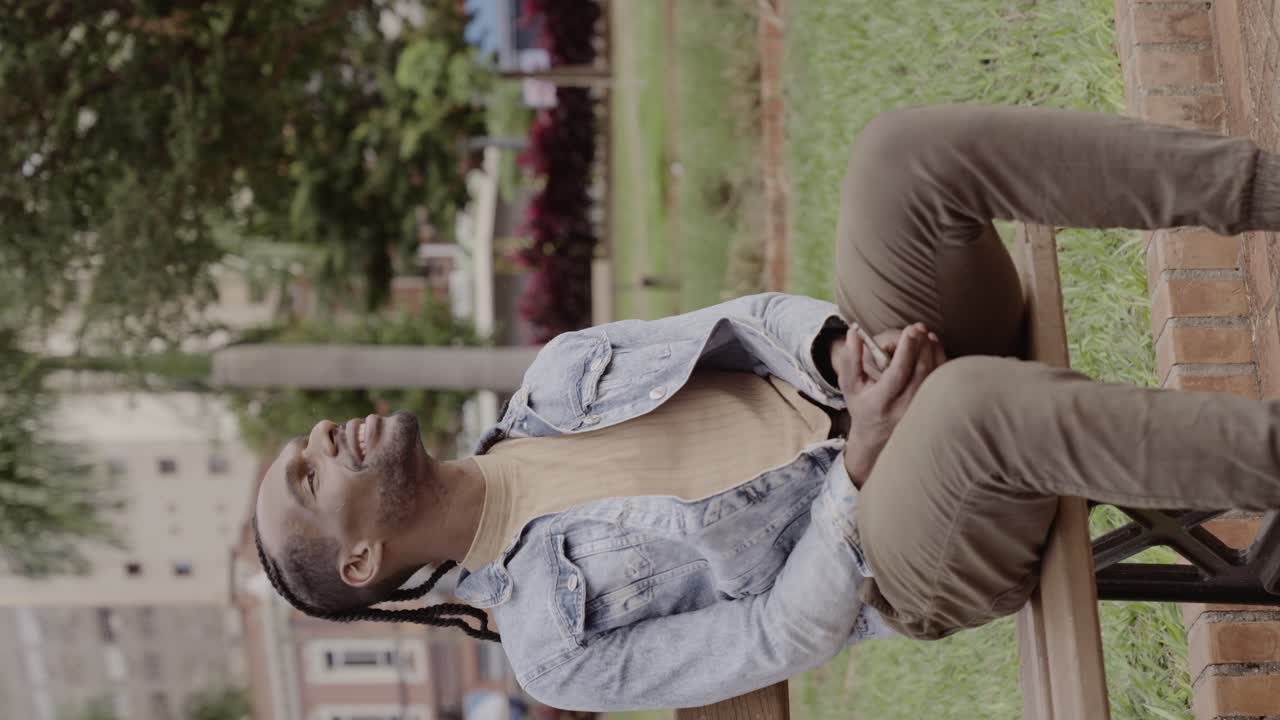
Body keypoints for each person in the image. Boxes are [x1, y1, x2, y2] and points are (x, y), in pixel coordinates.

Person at [252, 104, 1280, 711]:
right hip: (895, 549)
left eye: (301, 446)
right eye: (309, 478)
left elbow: (745, 324)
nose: (321, 441)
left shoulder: (553, 384)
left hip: (872, 381)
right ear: (358, 567)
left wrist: (838, 350)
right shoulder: (551, 648)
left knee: (898, 156)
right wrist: (866, 461)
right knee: (965, 409)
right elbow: (773, 639)